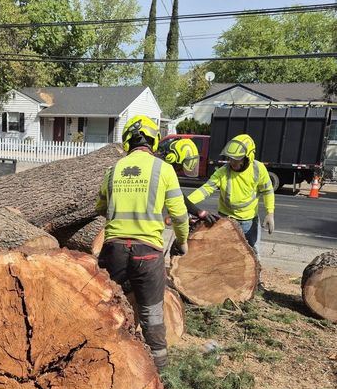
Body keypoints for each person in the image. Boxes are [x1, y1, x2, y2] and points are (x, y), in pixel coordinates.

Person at [96, 115, 189, 373]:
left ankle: (106, 365)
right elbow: (180, 215)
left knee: (109, 309)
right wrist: (182, 241)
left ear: (127, 142)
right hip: (148, 255)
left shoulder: (113, 170)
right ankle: (158, 375)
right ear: (153, 140)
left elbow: (100, 206)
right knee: (152, 315)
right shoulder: (164, 169)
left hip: (114, 251)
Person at [186, 133, 274, 254]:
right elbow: (205, 190)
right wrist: (185, 203)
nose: (232, 162)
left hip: (248, 221)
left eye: (236, 159)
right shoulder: (223, 172)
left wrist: (270, 213)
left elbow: (268, 191)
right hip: (225, 218)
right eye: (230, 158)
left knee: (252, 252)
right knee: (223, 252)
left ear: (249, 157)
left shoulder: (258, 169)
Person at [158, 137, 219, 224]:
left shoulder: (158, 169)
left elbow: (177, 195)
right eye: (179, 167)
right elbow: (176, 199)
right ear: (170, 158)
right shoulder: (160, 173)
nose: (179, 171)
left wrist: (198, 212)